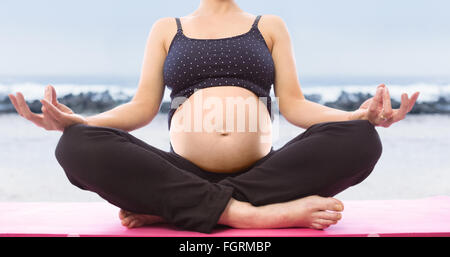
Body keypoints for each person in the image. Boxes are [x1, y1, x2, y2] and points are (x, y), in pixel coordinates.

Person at [8, 0, 420, 234]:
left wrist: (357, 115)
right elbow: (140, 109)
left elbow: (295, 107)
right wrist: (77, 123)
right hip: (181, 170)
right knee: (76, 146)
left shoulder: (269, 25)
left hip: (263, 170)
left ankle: (180, 207)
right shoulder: (167, 28)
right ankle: (246, 213)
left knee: (362, 139)